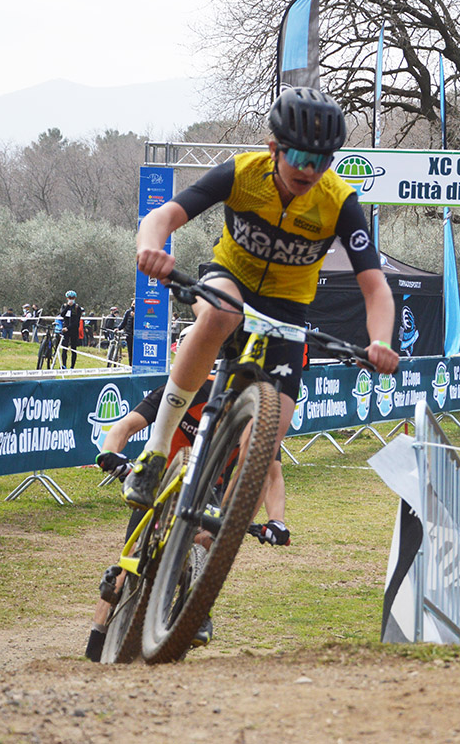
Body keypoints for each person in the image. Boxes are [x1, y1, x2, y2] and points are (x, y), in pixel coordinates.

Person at [124, 86, 399, 552]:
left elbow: (375, 287)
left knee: (264, 445)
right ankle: (156, 450)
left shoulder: (338, 201)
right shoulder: (242, 173)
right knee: (219, 314)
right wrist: (150, 247)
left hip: (288, 309)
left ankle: (202, 568)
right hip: (230, 279)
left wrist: (380, 341)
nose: (310, 171)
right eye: (300, 157)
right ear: (274, 148)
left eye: (323, 160)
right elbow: (163, 216)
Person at [85, 374, 225, 661]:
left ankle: (197, 608)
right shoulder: (193, 387)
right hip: (163, 482)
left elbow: (271, 474)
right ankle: (95, 643)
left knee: (208, 541)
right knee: (126, 567)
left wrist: (277, 520)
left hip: (211, 488)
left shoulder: (254, 412)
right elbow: (126, 425)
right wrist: (110, 453)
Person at [60, 290, 83, 369]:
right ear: (67, 298)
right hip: (65, 329)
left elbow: (77, 321)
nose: (71, 299)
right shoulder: (64, 306)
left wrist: (68, 328)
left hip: (73, 330)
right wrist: (67, 307)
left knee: (73, 348)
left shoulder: (77, 308)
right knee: (64, 348)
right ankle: (64, 365)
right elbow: (62, 314)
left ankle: (72, 366)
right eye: (69, 298)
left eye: (72, 298)